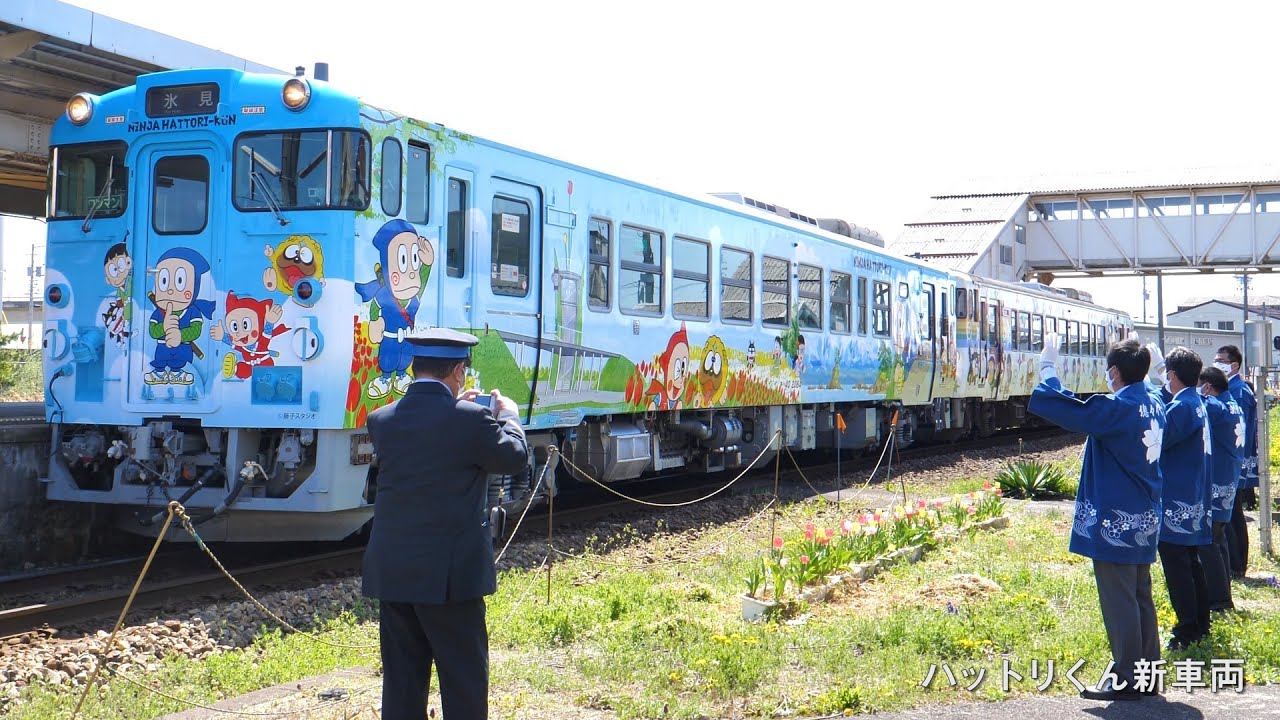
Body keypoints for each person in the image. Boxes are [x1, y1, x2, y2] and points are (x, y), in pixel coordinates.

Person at [361, 327, 529, 720]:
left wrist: (462, 410)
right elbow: (514, 456)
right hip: (451, 578)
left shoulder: (381, 420)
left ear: (415, 367)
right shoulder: (471, 419)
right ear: (458, 372)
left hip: (394, 573)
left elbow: (430, 440)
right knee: (464, 684)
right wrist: (509, 417)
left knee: (402, 686)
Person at [1028, 335, 1164, 701]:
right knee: (1140, 595)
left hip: (1116, 517)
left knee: (1120, 600)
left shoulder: (1119, 407)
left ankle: (1126, 679)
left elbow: (1069, 409)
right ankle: (1148, 674)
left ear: (1114, 372)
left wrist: (1048, 369)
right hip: (1145, 514)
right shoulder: (1153, 402)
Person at [1147, 346, 1212, 650]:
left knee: (1178, 567)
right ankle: (1200, 623)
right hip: (1192, 493)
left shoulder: (1181, 407)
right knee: (1192, 562)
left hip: (1175, 497)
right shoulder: (1195, 401)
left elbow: (1158, 439)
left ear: (1172, 375)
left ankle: (1186, 630)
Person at [1198, 365, 1244, 612]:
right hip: (1227, 479)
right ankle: (1224, 593)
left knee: (1209, 543)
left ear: (1207, 387)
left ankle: (1219, 600)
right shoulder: (1232, 404)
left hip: (1217, 481)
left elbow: (1199, 404)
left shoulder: (1217, 406)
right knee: (1219, 539)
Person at [1214, 345, 1256, 577]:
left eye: (1221, 361)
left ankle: (1237, 564)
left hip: (1234, 461)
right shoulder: (1233, 388)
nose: (1217, 364)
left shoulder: (1238, 391)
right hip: (1234, 460)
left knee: (1233, 514)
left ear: (1234, 365)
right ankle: (1236, 564)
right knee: (1233, 513)